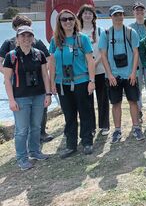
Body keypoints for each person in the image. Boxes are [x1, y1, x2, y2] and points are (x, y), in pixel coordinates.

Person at [3, 26, 52, 170]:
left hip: (38, 95)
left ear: (33, 38)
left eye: (29, 36)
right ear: (17, 39)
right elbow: (7, 80)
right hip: (20, 98)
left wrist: (48, 94)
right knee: (22, 129)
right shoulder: (11, 56)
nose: (26, 39)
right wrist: (11, 100)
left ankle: (35, 151)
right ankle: (22, 158)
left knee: (36, 126)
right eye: (23, 36)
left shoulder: (39, 54)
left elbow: (45, 75)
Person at [49, 10, 96, 158]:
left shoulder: (83, 39)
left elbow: (90, 61)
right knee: (69, 115)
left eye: (70, 18)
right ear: (59, 22)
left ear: (75, 20)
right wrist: (51, 83)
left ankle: (87, 142)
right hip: (63, 84)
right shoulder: (55, 41)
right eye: (64, 20)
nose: (68, 22)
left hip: (81, 82)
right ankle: (71, 145)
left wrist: (92, 81)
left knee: (85, 112)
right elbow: (52, 63)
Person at [0, 15, 54, 143]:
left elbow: (48, 59)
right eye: (20, 27)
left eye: (27, 26)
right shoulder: (8, 43)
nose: (25, 32)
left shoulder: (37, 42)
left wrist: (42, 72)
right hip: (18, 83)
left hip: (37, 82)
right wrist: (10, 74)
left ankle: (41, 133)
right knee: (21, 110)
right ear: (15, 29)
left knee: (41, 107)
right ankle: (25, 140)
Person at [99, 5, 145, 143]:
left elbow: (136, 53)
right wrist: (110, 75)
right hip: (113, 76)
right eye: (115, 15)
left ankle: (136, 127)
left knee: (133, 101)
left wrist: (133, 72)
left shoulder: (131, 32)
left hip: (129, 74)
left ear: (124, 16)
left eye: (120, 14)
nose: (118, 17)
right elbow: (103, 55)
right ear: (111, 17)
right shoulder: (106, 34)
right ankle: (117, 130)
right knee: (116, 103)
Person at [78, 4, 110, 136]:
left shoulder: (100, 31)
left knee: (103, 98)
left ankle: (104, 125)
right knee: (87, 100)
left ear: (93, 16)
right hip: (84, 72)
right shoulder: (77, 32)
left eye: (90, 13)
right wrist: (87, 66)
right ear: (80, 16)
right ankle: (90, 127)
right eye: (85, 13)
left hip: (100, 69)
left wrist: (95, 63)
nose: (87, 15)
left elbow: (104, 50)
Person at [128, 2, 146, 123]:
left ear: (144, 12)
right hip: (136, 61)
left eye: (141, 10)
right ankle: (139, 111)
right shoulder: (130, 27)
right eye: (137, 11)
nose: (139, 13)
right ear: (134, 13)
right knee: (138, 87)